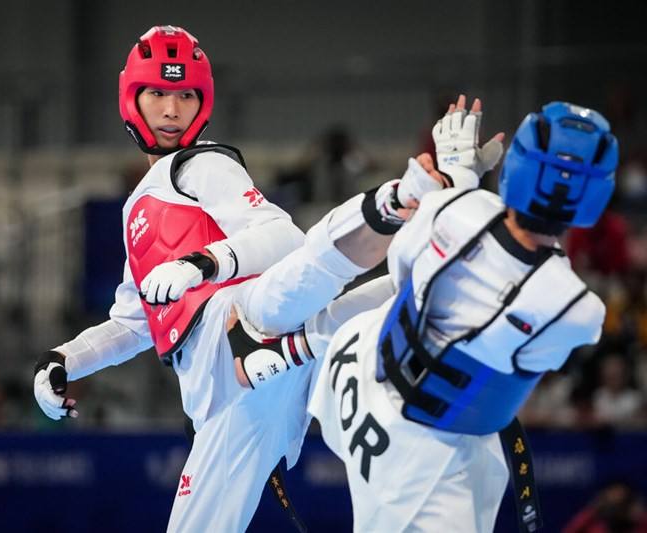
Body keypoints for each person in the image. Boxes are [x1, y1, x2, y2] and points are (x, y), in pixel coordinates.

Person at [32, 26, 500, 531]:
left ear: (203, 102)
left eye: (186, 95)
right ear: (132, 100)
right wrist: (63, 360)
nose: (172, 110)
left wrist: (202, 265)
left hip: (236, 331)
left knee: (285, 294)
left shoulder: (200, 164)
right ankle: (442, 246)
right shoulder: (136, 208)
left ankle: (404, 198)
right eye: (159, 94)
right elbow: (133, 323)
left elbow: (281, 236)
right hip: (227, 401)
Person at [292, 102, 618, 532]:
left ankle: (290, 347)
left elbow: (404, 273)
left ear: (517, 165)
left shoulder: (452, 207)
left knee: (406, 289)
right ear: (594, 194)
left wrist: (458, 176)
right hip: (421, 445)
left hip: (356, 363)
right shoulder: (579, 311)